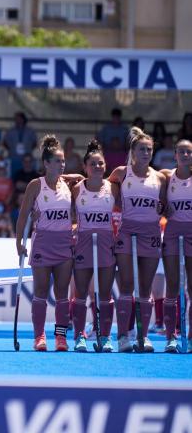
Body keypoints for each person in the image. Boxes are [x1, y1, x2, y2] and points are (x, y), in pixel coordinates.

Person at [108, 127, 166, 353]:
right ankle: (124, 336)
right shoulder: (121, 173)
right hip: (126, 232)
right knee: (126, 285)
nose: (146, 153)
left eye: (149, 149)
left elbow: (165, 207)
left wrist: (164, 209)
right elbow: (104, 191)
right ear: (133, 151)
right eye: (141, 149)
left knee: (145, 287)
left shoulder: (160, 177)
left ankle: (143, 336)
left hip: (150, 234)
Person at [15, 135, 73, 351]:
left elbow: (80, 179)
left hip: (64, 243)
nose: (62, 165)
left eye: (64, 161)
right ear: (46, 163)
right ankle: (39, 337)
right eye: (57, 161)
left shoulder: (68, 184)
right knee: (40, 291)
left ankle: (60, 337)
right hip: (42, 243)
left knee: (62, 294)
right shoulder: (35, 185)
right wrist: (19, 243)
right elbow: (22, 217)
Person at [70, 139, 118, 353]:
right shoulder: (77, 188)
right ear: (85, 167)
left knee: (106, 294)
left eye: (100, 164)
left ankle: (105, 337)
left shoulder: (113, 187)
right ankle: (79, 336)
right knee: (80, 293)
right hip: (83, 241)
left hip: (106, 240)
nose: (97, 167)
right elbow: (69, 213)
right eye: (93, 164)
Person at [159, 137, 192, 353]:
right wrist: (163, 209)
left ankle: (190, 337)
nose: (186, 155)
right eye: (182, 152)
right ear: (175, 155)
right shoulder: (166, 178)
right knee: (172, 287)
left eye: (189, 152)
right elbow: (159, 203)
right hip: (172, 233)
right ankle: (171, 336)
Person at [3, 112, 38, 176]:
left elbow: (35, 142)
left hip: (26, 158)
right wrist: (11, 150)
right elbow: (4, 142)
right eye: (16, 119)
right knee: (13, 174)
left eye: (19, 119)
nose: (18, 120)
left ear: (23, 119)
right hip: (14, 157)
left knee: (28, 175)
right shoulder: (10, 131)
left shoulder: (30, 131)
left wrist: (29, 150)